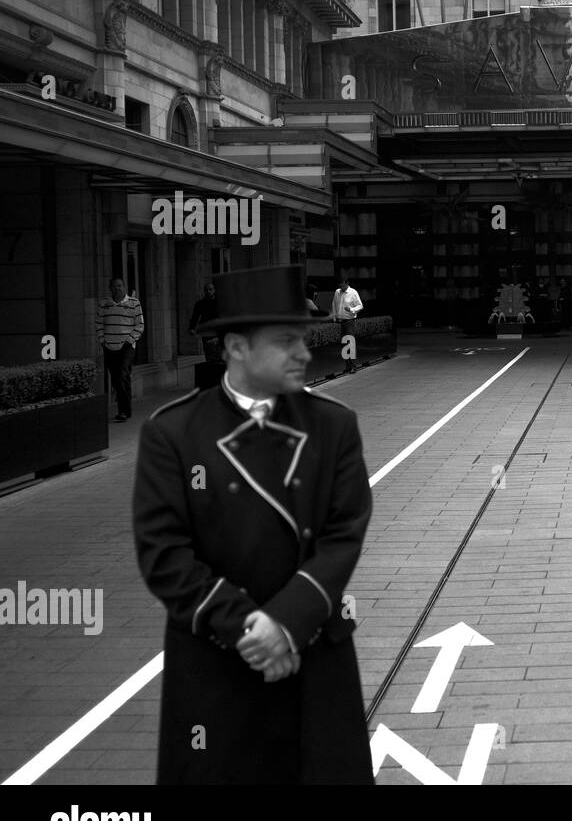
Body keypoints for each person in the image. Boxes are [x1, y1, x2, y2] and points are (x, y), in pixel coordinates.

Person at [133, 264, 373, 784]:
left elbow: (343, 534)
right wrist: (251, 630)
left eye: (304, 338)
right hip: (217, 664)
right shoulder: (172, 434)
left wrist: (285, 622)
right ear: (236, 347)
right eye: (287, 341)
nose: (305, 353)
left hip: (313, 656)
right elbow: (163, 555)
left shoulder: (334, 425)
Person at [97, 277, 144, 421]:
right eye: (114, 286)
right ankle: (124, 409)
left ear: (124, 287)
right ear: (110, 288)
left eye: (119, 285)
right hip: (109, 346)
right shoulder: (104, 303)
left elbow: (140, 325)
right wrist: (102, 340)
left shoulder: (134, 303)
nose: (117, 288)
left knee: (123, 375)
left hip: (126, 346)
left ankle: (124, 411)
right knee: (117, 379)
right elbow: (99, 323)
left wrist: (130, 340)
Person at [331, 273, 364, 373]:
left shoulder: (353, 292)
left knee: (350, 343)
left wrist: (351, 309)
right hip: (339, 321)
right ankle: (347, 367)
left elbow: (360, 305)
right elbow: (334, 304)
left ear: (347, 283)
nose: (341, 287)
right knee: (344, 344)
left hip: (349, 321)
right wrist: (334, 317)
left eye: (343, 285)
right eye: (340, 285)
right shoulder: (337, 292)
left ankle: (353, 366)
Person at [189, 281, 222, 362]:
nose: (208, 291)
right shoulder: (200, 304)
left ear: (214, 290)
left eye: (210, 289)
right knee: (209, 355)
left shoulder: (220, 302)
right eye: (206, 290)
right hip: (207, 332)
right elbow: (195, 317)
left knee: (220, 355)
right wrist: (191, 328)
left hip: (219, 331)